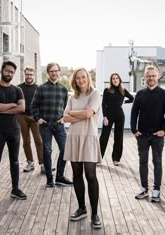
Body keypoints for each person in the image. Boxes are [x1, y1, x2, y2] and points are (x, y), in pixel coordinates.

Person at [63, 68, 102, 229]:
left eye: (83, 77)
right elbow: (65, 117)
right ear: (74, 80)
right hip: (74, 137)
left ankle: (94, 214)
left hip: (89, 137)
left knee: (91, 175)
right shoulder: (73, 96)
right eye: (78, 78)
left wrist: (73, 113)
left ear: (88, 78)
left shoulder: (95, 94)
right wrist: (79, 112)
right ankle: (82, 208)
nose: (81, 80)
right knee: (77, 174)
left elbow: (88, 115)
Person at [0, 61, 27, 203]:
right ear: (1, 70)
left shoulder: (17, 90)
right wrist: (12, 105)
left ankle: (15, 189)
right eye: (7, 71)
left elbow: (22, 108)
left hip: (14, 130)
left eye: (12, 72)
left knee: (15, 161)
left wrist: (4, 109)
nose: (9, 74)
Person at [131, 65, 165, 203]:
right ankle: (144, 188)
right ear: (145, 77)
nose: (151, 78)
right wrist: (134, 129)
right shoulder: (140, 94)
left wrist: (164, 130)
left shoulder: (164, 94)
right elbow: (134, 112)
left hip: (157, 135)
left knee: (157, 162)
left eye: (153, 75)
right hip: (142, 134)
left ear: (157, 77)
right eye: (148, 76)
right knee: (143, 162)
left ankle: (156, 190)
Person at [31, 62, 73, 187]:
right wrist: (37, 118)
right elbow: (33, 106)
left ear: (59, 72)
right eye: (51, 71)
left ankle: (59, 177)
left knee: (65, 150)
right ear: (48, 73)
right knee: (47, 151)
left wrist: (64, 118)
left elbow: (66, 107)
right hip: (45, 126)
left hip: (59, 125)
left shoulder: (63, 89)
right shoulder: (41, 88)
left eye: (56, 71)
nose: (54, 73)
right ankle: (49, 179)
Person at [99, 73, 134, 165]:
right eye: (113, 78)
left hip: (120, 116)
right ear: (111, 80)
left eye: (116, 78)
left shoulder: (123, 90)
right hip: (108, 116)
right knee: (104, 137)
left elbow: (132, 98)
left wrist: (123, 102)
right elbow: (103, 104)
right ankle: (98, 158)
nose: (115, 80)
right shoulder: (107, 90)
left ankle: (116, 158)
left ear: (119, 80)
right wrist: (104, 117)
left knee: (118, 137)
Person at [18, 66, 44, 173]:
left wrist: (40, 116)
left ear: (34, 75)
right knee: (26, 141)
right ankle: (30, 163)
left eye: (31, 74)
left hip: (35, 117)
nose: (29, 76)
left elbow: (42, 104)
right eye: (27, 74)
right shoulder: (19, 88)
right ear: (24, 75)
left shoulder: (39, 88)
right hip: (22, 117)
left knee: (39, 141)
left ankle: (42, 164)